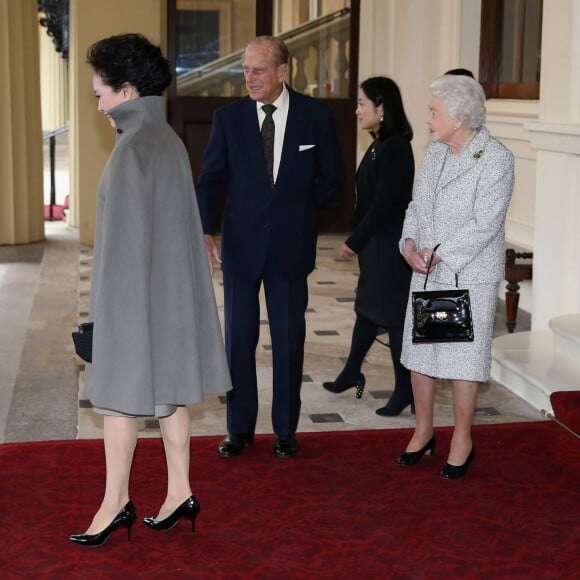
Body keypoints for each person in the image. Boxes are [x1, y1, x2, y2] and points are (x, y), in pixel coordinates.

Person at [69, 33, 232, 547]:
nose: (96, 104)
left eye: (99, 94)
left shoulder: (130, 149)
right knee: (170, 390)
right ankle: (180, 489)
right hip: (172, 299)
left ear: (125, 88)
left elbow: (119, 254)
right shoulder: (167, 139)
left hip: (133, 302)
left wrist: (99, 320)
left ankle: (115, 503)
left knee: (117, 400)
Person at [196, 35, 345, 459]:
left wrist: (299, 213)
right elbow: (211, 179)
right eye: (245, 69)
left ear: (283, 72)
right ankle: (239, 430)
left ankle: (285, 431)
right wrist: (206, 229)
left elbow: (331, 178)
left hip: (290, 248)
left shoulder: (315, 117)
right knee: (238, 342)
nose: (249, 77)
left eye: (258, 69)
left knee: (288, 341)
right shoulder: (228, 118)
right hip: (240, 249)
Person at [396, 74, 514, 479]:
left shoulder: (495, 158)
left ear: (459, 116)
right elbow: (416, 205)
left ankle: (462, 439)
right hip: (426, 270)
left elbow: (487, 223)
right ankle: (423, 432)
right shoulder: (434, 153)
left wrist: (440, 254)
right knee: (421, 356)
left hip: (469, 274)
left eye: (434, 112)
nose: (427, 119)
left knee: (463, 361)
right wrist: (409, 245)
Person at [322, 77, 415, 417]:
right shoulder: (378, 144)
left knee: (392, 318)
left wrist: (354, 239)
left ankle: (405, 389)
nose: (357, 109)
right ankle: (351, 371)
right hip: (375, 244)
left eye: (363, 103)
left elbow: (386, 205)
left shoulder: (397, 147)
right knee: (366, 308)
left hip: (389, 246)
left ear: (382, 108)